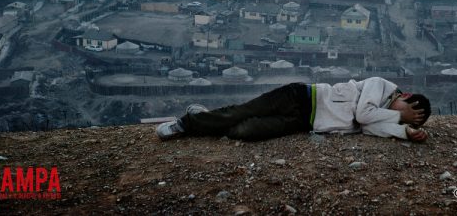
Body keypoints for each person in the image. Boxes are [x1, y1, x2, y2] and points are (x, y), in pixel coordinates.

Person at [156, 77, 430, 142]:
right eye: (406, 108)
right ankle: (187, 123)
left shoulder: (386, 114)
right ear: (403, 96)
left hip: (304, 122)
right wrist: (399, 116)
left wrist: (404, 131)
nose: (401, 112)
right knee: (240, 112)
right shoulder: (379, 85)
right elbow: (363, 115)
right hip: (300, 97)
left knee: (245, 131)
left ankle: (204, 118)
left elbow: (371, 127)